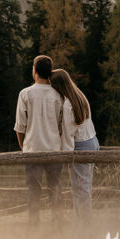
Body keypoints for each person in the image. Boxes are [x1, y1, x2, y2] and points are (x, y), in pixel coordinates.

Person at [14, 55, 64, 217]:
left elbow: (20, 126)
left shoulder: (25, 94)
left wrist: (23, 145)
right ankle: (57, 225)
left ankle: (33, 227)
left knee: (33, 192)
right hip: (54, 149)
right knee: (55, 190)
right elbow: (61, 125)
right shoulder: (58, 95)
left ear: (34, 71)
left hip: (33, 150)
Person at [49, 68, 98, 214]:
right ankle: (83, 220)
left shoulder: (68, 105)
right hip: (92, 140)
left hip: (81, 145)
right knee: (84, 185)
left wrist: (65, 156)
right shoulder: (79, 96)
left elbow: (68, 135)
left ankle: (83, 223)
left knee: (80, 188)